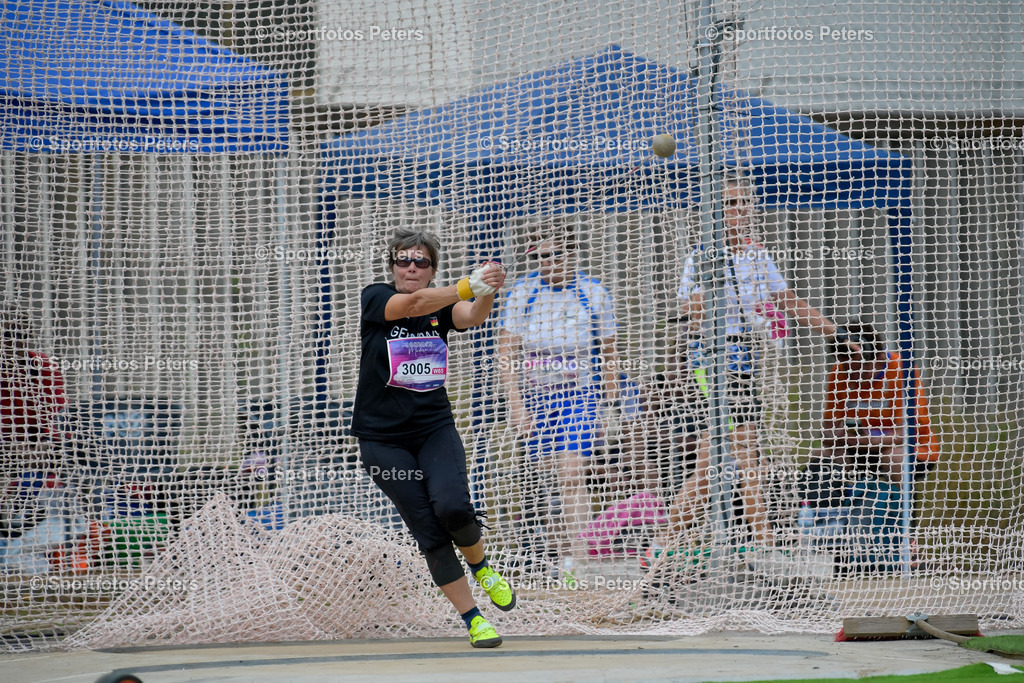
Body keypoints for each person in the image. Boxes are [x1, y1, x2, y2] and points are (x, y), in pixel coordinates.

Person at [350, 228, 515, 649]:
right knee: (429, 530)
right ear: (392, 267)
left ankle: (482, 568)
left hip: (433, 428)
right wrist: (467, 285)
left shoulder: (442, 307)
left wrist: (486, 289)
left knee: (453, 506)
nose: (411, 267)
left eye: (421, 261)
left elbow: (472, 316)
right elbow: (415, 304)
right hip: (383, 440)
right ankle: (474, 619)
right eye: (403, 260)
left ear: (432, 269)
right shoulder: (377, 297)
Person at [676, 173, 858, 547]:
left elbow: (787, 300)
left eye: (744, 202)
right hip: (712, 359)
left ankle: (748, 540)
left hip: (745, 357)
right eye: (730, 203)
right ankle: (749, 536)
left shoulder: (757, 255)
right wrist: (710, 289)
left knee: (735, 456)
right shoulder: (700, 256)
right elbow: (689, 316)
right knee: (731, 454)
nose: (739, 209)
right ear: (714, 211)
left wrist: (834, 332)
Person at [496, 225, 618, 573]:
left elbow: (609, 353)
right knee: (549, 476)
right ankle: (560, 557)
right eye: (543, 256)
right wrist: (516, 405)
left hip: (580, 395)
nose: (550, 262)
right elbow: (506, 351)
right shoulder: (524, 292)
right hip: (537, 397)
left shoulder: (593, 292)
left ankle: (580, 561)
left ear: (572, 254)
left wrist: (609, 408)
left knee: (572, 471)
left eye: (557, 254)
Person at [810, 321, 938, 498]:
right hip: (858, 448)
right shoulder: (839, 373)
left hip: (908, 448)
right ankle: (840, 509)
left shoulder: (902, 370)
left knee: (893, 459)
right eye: (847, 368)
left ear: (879, 357)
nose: (853, 376)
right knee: (823, 458)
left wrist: (864, 440)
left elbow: (903, 434)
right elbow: (828, 431)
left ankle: (904, 511)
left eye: (860, 368)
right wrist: (836, 435)